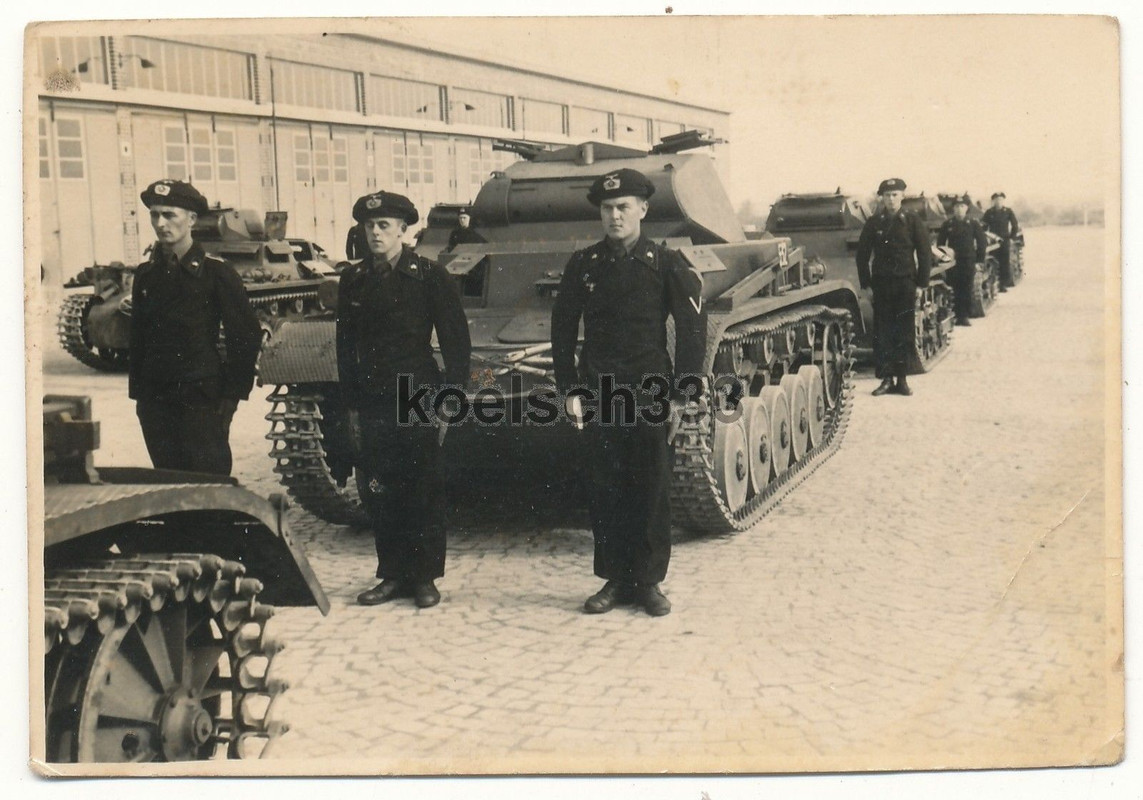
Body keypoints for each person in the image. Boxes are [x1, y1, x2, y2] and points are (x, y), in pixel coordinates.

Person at [551, 168, 706, 617]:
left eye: (623, 208)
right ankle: (615, 579)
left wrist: (683, 394)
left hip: (649, 390)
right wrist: (568, 390)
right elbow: (563, 329)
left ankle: (650, 582)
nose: (615, 216)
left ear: (643, 210)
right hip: (600, 391)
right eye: (607, 208)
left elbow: (692, 329)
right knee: (607, 485)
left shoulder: (665, 262)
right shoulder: (584, 264)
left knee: (651, 486)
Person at [337, 190, 471, 609]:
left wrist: (451, 398)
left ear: (402, 230)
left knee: (422, 487)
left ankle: (425, 576)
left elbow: (455, 341)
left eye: (384, 226)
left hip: (418, 396)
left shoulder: (429, 276)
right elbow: (345, 346)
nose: (376, 233)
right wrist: (352, 404)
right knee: (379, 487)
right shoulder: (354, 279)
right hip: (374, 398)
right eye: (369, 226)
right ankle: (392, 573)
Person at [128, 179, 261, 476]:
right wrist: (139, 397)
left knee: (208, 486)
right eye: (154, 215)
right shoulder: (147, 275)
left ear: (191, 219)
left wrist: (231, 396)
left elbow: (246, 336)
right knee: (167, 484)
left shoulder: (217, 272)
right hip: (155, 402)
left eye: (169, 215)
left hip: (200, 400)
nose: (160, 223)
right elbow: (138, 337)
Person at [855, 177, 932, 397]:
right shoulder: (874, 222)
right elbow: (862, 256)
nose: (891, 199)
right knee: (883, 333)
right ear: (882, 197)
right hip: (882, 286)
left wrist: (921, 284)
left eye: (895, 195)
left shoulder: (912, 220)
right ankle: (886, 379)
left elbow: (925, 252)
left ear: (902, 196)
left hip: (906, 284)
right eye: (887, 195)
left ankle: (902, 379)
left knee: (904, 331)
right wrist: (866, 285)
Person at [937, 195, 988, 326]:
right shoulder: (948, 224)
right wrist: (943, 261)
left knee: (966, 287)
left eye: (962, 207)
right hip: (952, 262)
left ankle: (964, 316)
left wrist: (979, 261)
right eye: (956, 207)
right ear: (953, 209)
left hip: (968, 260)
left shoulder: (973, 223)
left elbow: (982, 242)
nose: (959, 210)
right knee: (953, 286)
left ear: (966, 209)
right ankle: (956, 313)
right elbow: (940, 245)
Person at [981, 192, 1020, 291]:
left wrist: (1012, 238)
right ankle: (994, 283)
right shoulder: (989, 212)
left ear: (1003, 201)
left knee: (1004, 262)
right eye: (996, 200)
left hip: (1004, 240)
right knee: (993, 261)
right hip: (993, 240)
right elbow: (983, 226)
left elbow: (1015, 225)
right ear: (993, 201)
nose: (998, 201)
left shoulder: (1008, 211)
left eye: (1000, 199)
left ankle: (1003, 284)